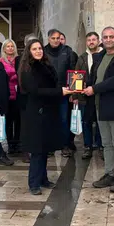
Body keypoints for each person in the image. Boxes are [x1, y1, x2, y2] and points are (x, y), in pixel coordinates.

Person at [19, 40, 75, 195]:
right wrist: (60, 92)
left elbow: (52, 85)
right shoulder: (27, 69)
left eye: (40, 49)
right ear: (29, 51)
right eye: (34, 49)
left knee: (44, 149)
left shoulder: (46, 65)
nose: (38, 51)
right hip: (36, 113)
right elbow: (36, 91)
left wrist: (64, 89)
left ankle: (43, 178)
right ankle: (33, 183)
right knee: (37, 150)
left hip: (48, 112)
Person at [85, 27, 114, 193]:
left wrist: (95, 88)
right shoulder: (100, 56)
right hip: (100, 106)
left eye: (111, 37)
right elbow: (93, 78)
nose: (108, 39)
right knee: (106, 143)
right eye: (105, 37)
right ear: (101, 40)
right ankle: (109, 174)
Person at [43, 29, 78, 158]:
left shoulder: (67, 51)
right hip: (49, 92)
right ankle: (50, 146)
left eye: (58, 38)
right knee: (49, 119)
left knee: (63, 119)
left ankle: (65, 145)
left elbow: (73, 70)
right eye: (53, 38)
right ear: (48, 39)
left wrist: (73, 92)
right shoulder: (43, 51)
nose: (56, 40)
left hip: (64, 92)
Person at [75, 32, 103, 159]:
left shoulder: (104, 55)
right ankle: (88, 147)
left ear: (98, 41)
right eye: (89, 40)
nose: (91, 42)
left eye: (93, 40)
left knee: (100, 121)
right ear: (86, 42)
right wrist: (76, 94)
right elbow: (77, 75)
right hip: (85, 95)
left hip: (100, 94)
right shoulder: (82, 57)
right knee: (86, 122)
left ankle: (101, 146)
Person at [0, 40, 21, 155]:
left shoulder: (19, 60)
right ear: (4, 49)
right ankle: (10, 144)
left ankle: (17, 143)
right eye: (8, 46)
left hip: (18, 95)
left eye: (12, 46)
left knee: (18, 120)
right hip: (7, 95)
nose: (10, 48)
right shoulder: (0, 62)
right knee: (8, 121)